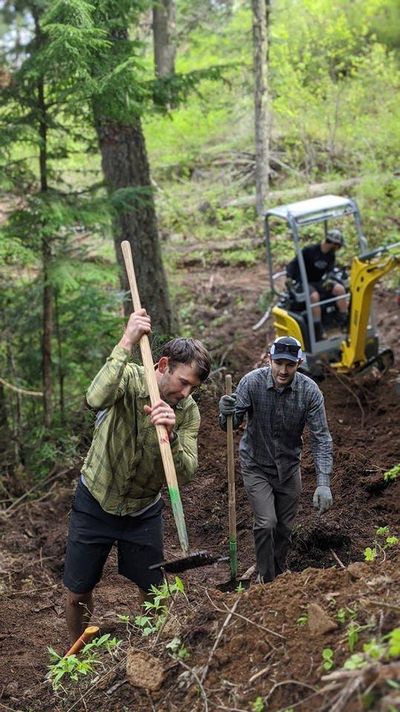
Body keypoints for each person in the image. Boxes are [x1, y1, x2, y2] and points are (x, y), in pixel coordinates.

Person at [63, 308, 211, 643]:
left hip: (143, 511)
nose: (186, 393)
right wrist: (127, 339)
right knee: (77, 591)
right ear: (162, 366)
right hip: (95, 501)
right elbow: (94, 398)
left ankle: (149, 645)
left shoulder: (188, 413)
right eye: (183, 382)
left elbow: (186, 472)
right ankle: (75, 651)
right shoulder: (129, 378)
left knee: (153, 591)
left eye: (194, 387)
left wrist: (171, 437)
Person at [218, 335, 333, 584]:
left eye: (290, 365)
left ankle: (279, 576)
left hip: (289, 468)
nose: (283, 370)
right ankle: (266, 579)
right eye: (278, 363)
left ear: (299, 363)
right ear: (269, 359)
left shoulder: (309, 392)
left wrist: (323, 481)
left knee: (284, 529)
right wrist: (225, 411)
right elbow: (231, 423)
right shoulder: (251, 382)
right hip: (256, 464)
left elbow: (321, 437)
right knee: (266, 522)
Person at [286, 229, 348, 340]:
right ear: (333, 244)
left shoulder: (330, 255)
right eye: (338, 246)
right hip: (304, 282)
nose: (338, 249)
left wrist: (329, 279)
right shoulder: (309, 251)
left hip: (319, 281)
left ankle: (342, 322)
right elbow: (293, 264)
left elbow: (330, 271)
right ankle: (318, 328)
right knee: (314, 296)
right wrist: (289, 277)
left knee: (340, 289)